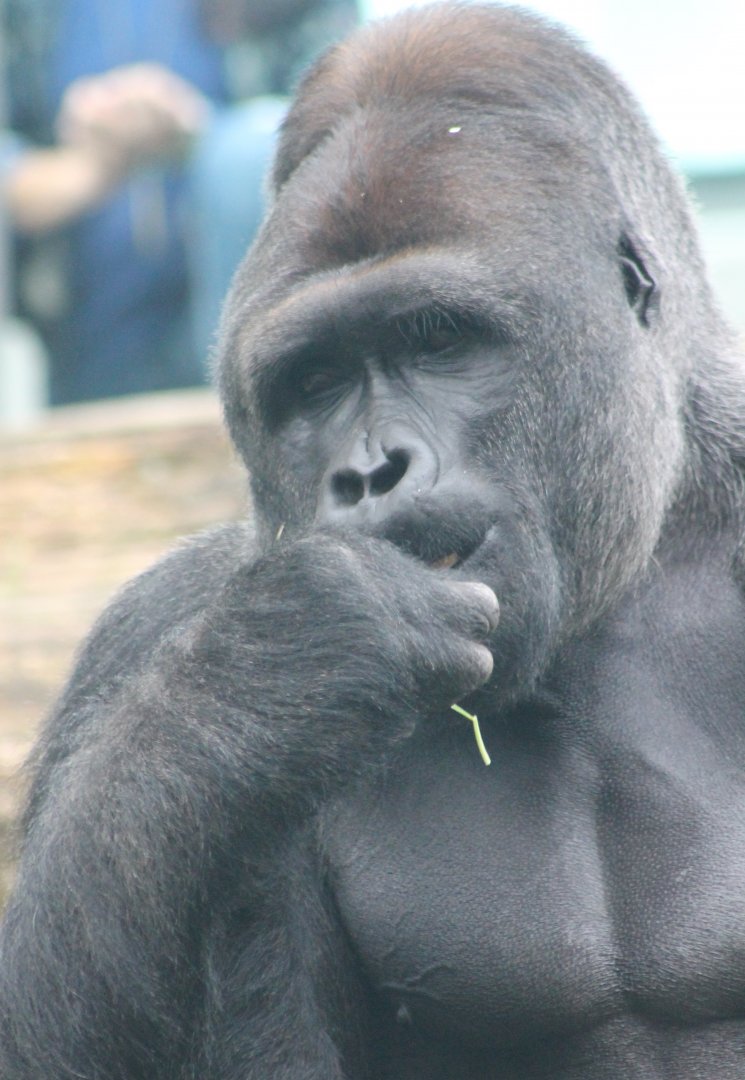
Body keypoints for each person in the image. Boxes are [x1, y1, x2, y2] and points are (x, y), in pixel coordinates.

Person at [0, 0, 358, 405]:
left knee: (242, 153)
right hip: (83, 339)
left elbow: (341, 130)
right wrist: (85, 168)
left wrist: (202, 138)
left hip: (259, 340)